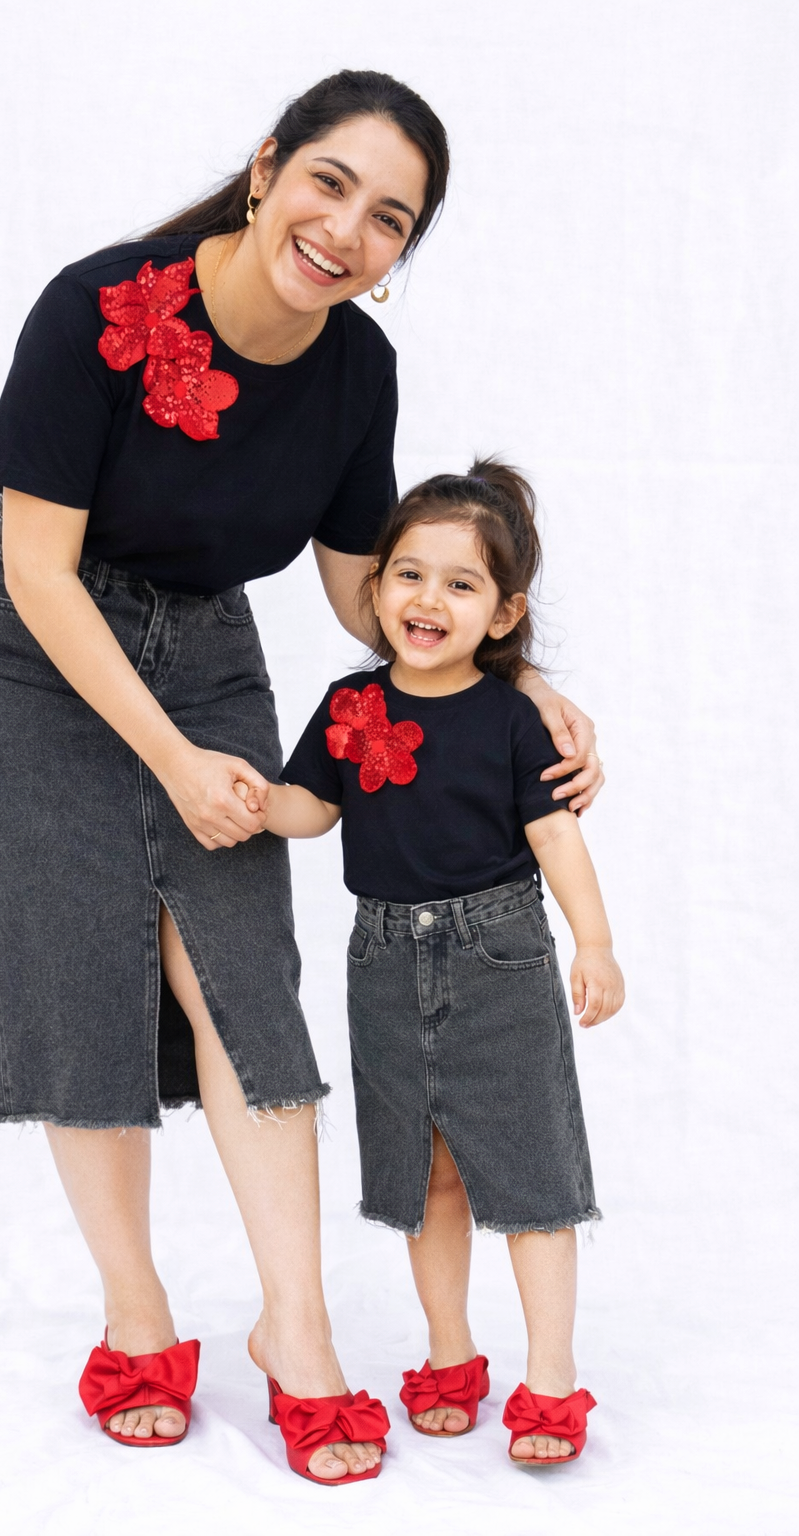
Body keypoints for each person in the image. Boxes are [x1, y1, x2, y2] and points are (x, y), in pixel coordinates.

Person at [0, 68, 604, 1485]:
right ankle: (135, 1315)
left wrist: (516, 678)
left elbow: (371, 594)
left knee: (242, 979)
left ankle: (294, 1327)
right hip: (31, 650)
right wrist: (169, 759)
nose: (347, 231)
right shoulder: (95, 307)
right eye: (330, 184)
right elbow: (40, 570)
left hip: (204, 648)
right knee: (75, 972)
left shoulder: (358, 370)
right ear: (266, 169)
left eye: (390, 219)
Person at [257, 459, 624, 1467]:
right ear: (374, 587)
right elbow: (312, 808)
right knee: (430, 1181)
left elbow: (554, 837)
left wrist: (593, 941)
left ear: (502, 615)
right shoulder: (348, 704)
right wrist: (251, 799)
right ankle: (449, 1354)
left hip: (497, 955)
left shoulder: (512, 718)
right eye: (409, 575)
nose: (428, 600)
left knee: (532, 1177)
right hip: (381, 960)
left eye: (460, 584)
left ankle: (550, 1376)